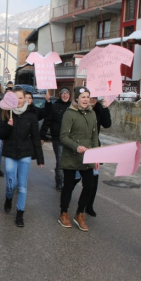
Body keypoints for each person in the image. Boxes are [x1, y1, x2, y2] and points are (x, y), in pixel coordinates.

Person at [0, 89, 44, 226]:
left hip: (25, 153)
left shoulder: (31, 115)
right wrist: (8, 126)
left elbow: (36, 137)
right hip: (10, 153)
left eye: (21, 97)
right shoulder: (7, 114)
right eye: (16, 98)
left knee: (22, 185)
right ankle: (8, 198)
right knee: (11, 184)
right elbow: (0, 135)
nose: (19, 100)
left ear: (25, 99)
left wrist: (40, 158)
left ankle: (20, 213)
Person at [57, 86, 99, 232]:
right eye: (83, 97)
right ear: (76, 99)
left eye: (88, 96)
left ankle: (80, 213)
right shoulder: (70, 114)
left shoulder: (92, 114)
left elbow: (94, 137)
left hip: (87, 157)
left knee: (89, 185)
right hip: (72, 157)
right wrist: (76, 147)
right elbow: (63, 136)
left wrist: (96, 156)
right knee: (68, 186)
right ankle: (63, 213)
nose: (86, 99)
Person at [83, 96, 111, 216]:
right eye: (90, 97)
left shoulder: (100, 110)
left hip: (95, 147)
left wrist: (105, 108)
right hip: (80, 148)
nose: (92, 99)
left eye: (95, 97)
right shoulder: (81, 109)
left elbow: (107, 124)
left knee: (93, 180)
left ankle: (89, 205)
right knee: (75, 178)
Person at [41, 87, 72, 191]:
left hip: (71, 140)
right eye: (63, 93)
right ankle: (59, 181)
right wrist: (42, 136)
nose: (65, 95)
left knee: (68, 162)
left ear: (70, 95)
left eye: (67, 93)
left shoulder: (73, 107)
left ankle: (66, 179)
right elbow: (47, 121)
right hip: (58, 139)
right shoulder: (55, 107)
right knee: (60, 160)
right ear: (60, 95)